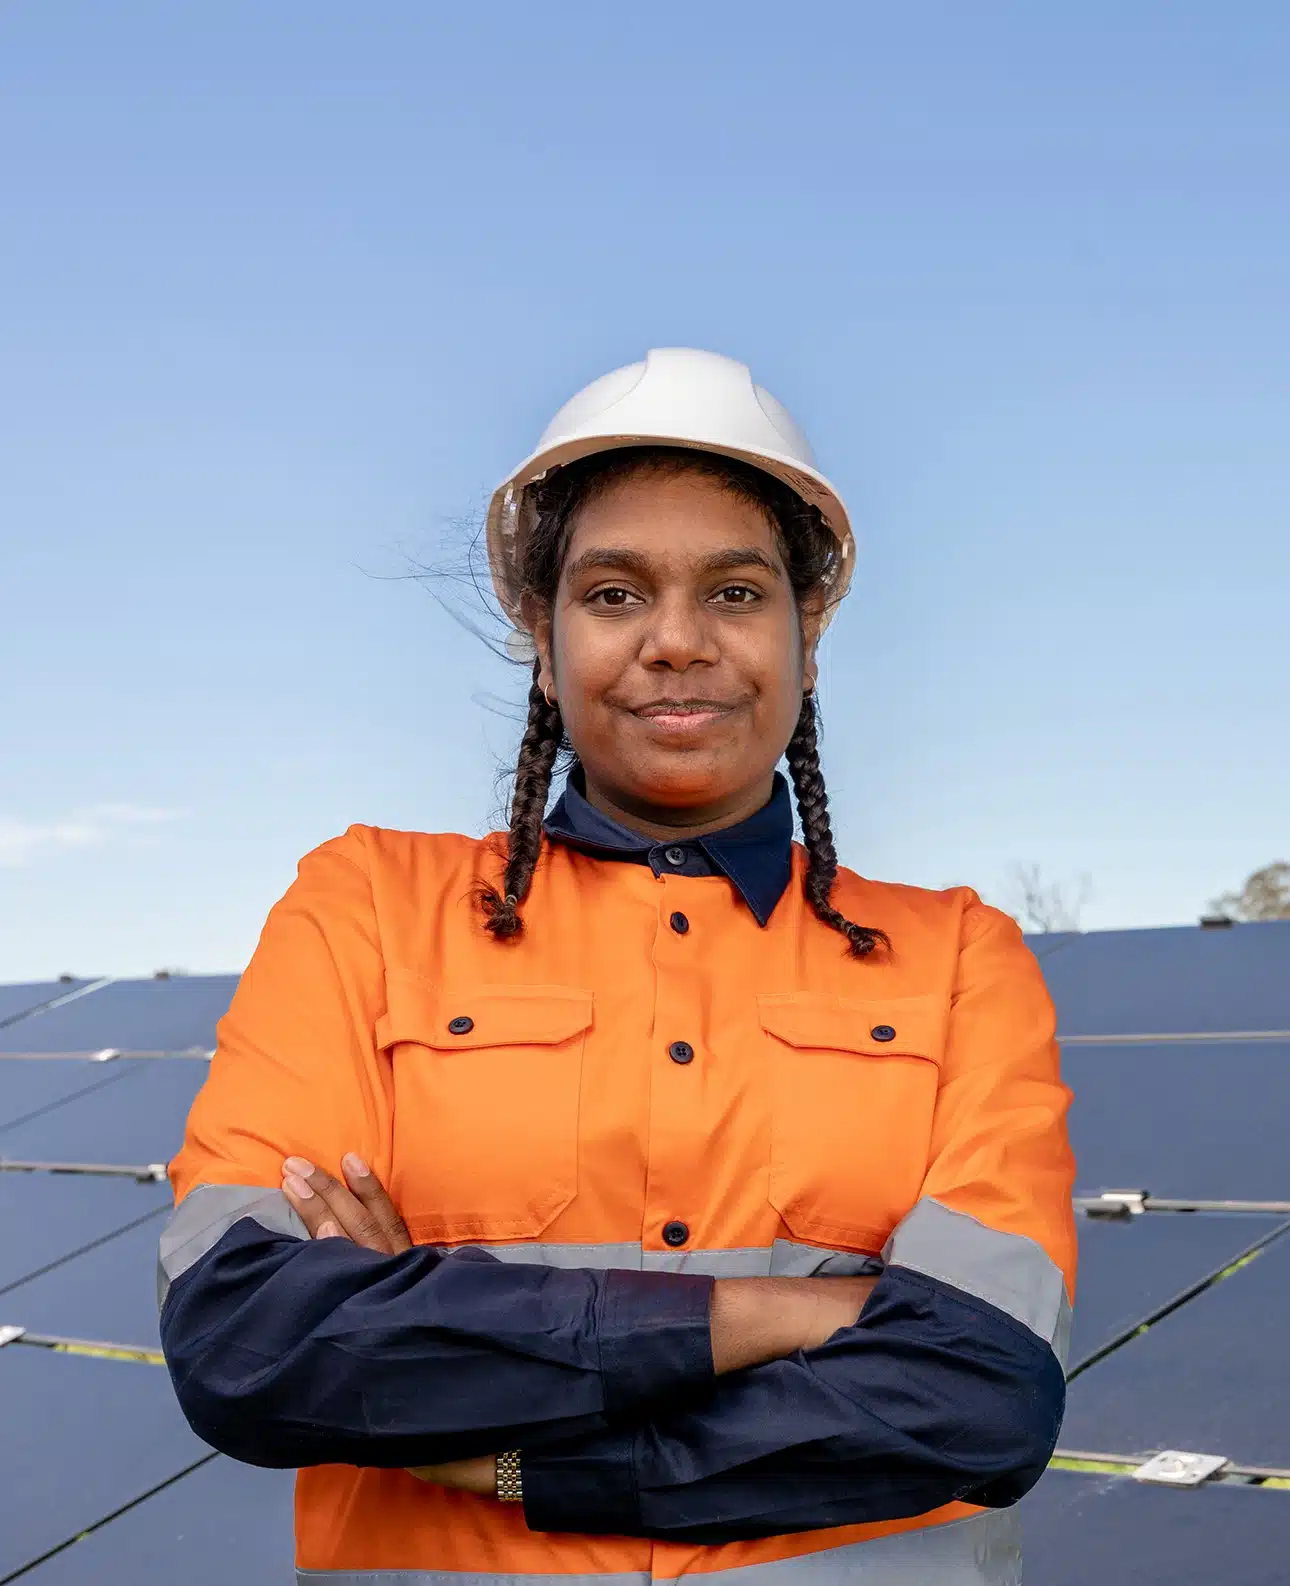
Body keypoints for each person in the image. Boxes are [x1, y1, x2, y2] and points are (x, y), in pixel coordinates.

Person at [159, 347, 1076, 1585]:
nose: (678, 642)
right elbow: (254, 1339)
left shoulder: (960, 955)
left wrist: (498, 1428)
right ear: (542, 639)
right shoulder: (365, 906)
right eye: (614, 594)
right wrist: (798, 1314)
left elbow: (980, 1395)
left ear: (812, 636)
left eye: (739, 593)